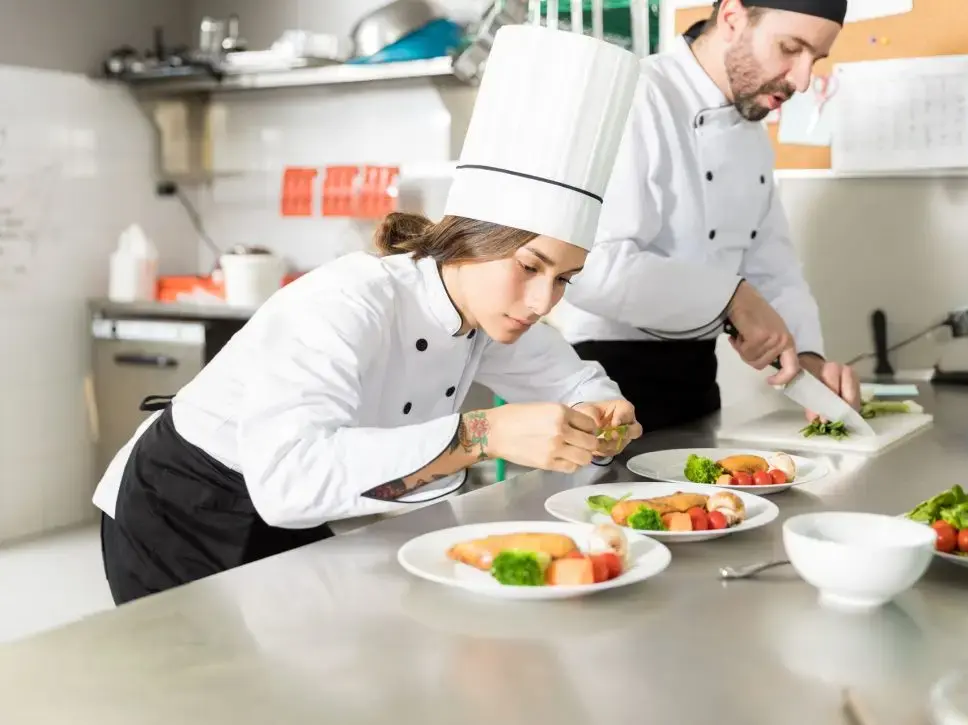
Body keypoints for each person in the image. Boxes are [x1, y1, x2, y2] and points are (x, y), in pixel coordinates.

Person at [93, 24, 643, 605]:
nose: (542, 301)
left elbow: (574, 380)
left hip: (295, 518)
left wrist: (601, 414)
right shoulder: (348, 301)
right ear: (472, 240)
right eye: (530, 267)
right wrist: (484, 433)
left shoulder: (496, 314)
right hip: (180, 504)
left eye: (564, 279)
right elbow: (290, 479)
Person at [556, 0, 861, 432]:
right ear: (733, 18)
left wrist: (808, 358)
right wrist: (731, 298)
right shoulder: (636, 95)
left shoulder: (751, 132)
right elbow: (588, 267)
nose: (803, 80)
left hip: (697, 380)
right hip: (607, 380)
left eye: (816, 59)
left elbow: (773, 269)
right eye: (791, 48)